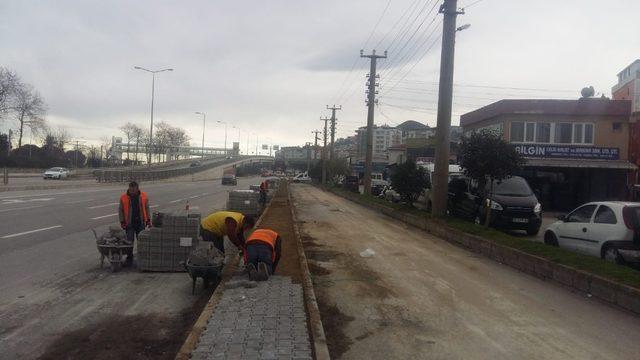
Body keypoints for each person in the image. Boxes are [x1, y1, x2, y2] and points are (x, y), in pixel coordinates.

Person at [118, 181, 150, 266]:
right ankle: (129, 258)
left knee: (141, 240)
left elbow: (147, 208)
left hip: (140, 222)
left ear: (137, 189)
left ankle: (142, 256)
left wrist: (148, 220)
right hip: (129, 224)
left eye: (133, 190)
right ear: (128, 188)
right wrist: (122, 222)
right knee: (129, 241)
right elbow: (120, 210)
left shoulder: (143, 196)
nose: (132, 191)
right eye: (130, 189)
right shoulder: (124, 197)